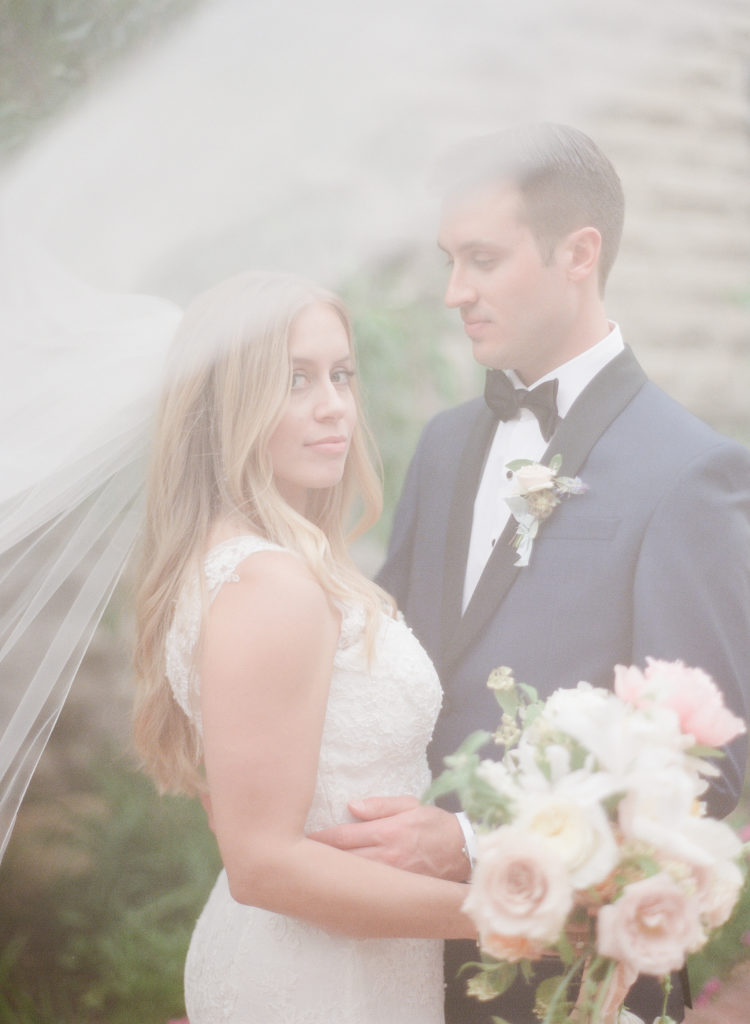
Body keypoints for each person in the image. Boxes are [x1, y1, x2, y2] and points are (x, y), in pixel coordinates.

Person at [310, 123, 750, 1023]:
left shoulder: (690, 474)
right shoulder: (442, 447)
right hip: (389, 955)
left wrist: (474, 843)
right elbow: (396, 670)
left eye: (482, 260)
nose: (454, 293)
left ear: (578, 254)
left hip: (566, 977)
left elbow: (707, 773)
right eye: (450, 261)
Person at [130, 271, 475, 1024]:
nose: (334, 406)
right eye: (295, 380)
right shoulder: (271, 583)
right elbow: (263, 866)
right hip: (322, 982)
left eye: (341, 375)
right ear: (229, 406)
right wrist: (508, 915)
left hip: (346, 961)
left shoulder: (249, 562)